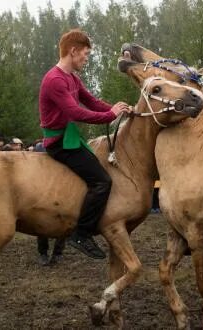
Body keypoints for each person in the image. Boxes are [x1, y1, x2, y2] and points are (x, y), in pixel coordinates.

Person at [39, 29, 129, 259]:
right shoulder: (55, 80)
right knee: (102, 181)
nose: (86, 59)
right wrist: (111, 116)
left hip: (68, 138)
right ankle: (82, 233)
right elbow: (76, 112)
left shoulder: (72, 78)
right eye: (86, 54)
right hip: (59, 143)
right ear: (73, 51)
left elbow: (92, 101)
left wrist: (119, 110)